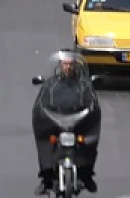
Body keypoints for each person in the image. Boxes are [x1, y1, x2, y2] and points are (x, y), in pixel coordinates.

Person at [32, 51, 101, 194]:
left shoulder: (84, 85)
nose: (68, 67)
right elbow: (41, 103)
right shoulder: (50, 84)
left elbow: (92, 103)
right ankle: (46, 179)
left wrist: (89, 113)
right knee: (45, 142)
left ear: (75, 66)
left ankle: (87, 175)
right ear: (60, 65)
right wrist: (45, 114)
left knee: (88, 142)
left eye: (71, 64)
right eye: (65, 64)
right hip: (54, 121)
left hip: (79, 121)